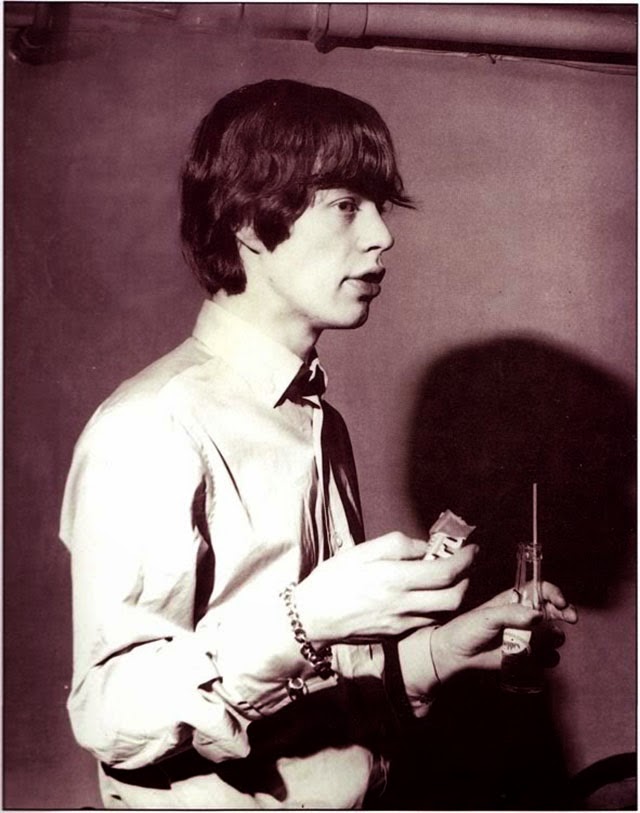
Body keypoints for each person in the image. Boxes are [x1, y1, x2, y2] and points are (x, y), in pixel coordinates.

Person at [60, 78, 577, 809]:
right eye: (346, 205)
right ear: (249, 220)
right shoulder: (151, 426)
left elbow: (311, 705)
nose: (382, 236)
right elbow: (110, 714)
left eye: (381, 207)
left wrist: (440, 652)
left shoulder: (317, 419)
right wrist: (305, 619)